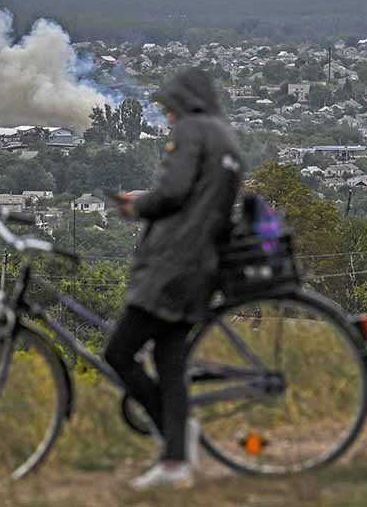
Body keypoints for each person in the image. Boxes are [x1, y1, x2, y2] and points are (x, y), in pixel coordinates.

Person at [104, 67, 243, 490]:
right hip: (202, 266)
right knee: (169, 362)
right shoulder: (226, 136)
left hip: (172, 265)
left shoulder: (191, 131)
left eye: (169, 109)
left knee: (120, 352)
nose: (167, 118)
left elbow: (173, 191)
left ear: (184, 103)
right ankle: (176, 462)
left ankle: (176, 436)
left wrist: (137, 206)